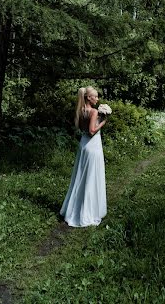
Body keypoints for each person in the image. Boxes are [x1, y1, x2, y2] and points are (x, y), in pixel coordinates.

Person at [60, 86, 107, 227]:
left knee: (81, 177)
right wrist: (104, 121)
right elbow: (92, 131)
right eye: (95, 96)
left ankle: (75, 207)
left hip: (83, 144)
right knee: (91, 178)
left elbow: (84, 129)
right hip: (93, 146)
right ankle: (88, 211)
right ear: (88, 97)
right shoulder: (93, 112)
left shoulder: (80, 111)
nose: (97, 99)